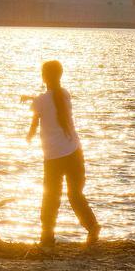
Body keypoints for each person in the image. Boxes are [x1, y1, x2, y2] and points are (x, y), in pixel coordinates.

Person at [25, 60, 100, 247]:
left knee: (50, 198)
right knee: (75, 195)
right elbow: (51, 100)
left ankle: (47, 240)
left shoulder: (40, 101)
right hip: (75, 152)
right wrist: (31, 99)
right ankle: (92, 228)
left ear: (43, 77)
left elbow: (36, 120)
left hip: (54, 157)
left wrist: (29, 136)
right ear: (61, 75)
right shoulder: (65, 95)